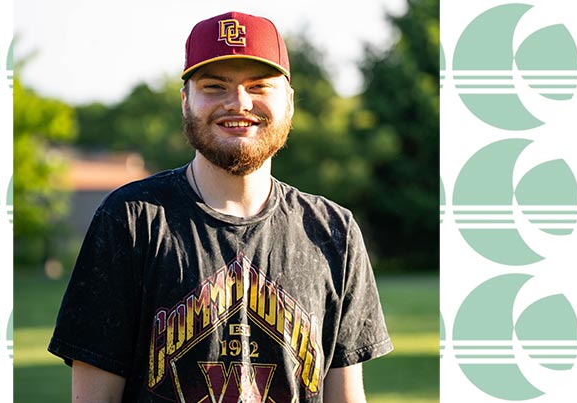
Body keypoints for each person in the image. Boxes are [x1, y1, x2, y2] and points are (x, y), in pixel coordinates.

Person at [48, 11, 393, 403]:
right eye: (214, 86)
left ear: (289, 102)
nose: (239, 103)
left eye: (259, 85)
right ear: (185, 101)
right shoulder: (130, 220)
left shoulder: (334, 232)